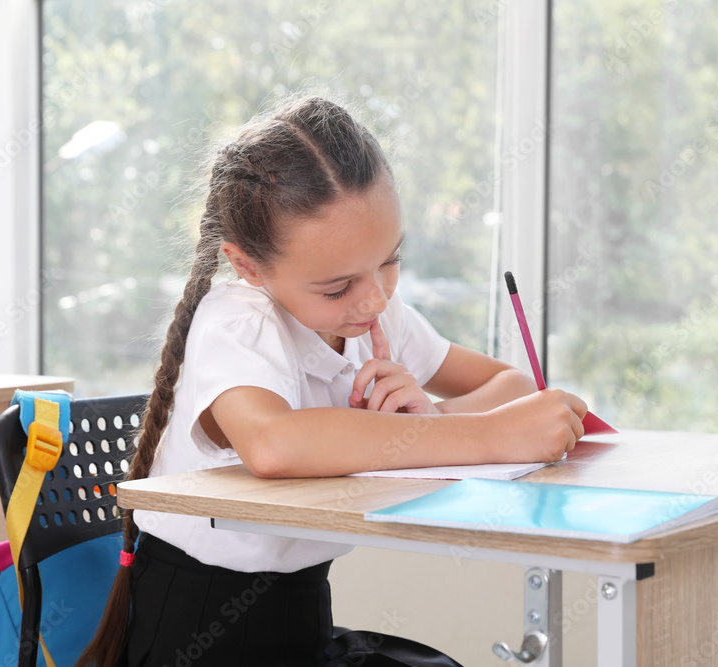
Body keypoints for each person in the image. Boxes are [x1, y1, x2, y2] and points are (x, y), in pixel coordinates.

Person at [77, 95, 587, 667]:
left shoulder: (372, 313)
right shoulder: (238, 320)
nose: (374, 296)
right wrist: (487, 436)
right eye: (337, 286)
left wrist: (430, 418)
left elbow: (513, 386)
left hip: (301, 611)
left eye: (389, 261)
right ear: (249, 266)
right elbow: (274, 443)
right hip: (197, 624)